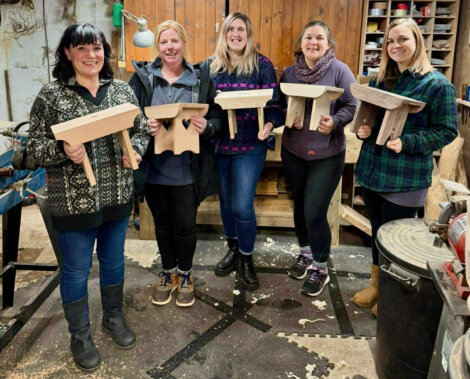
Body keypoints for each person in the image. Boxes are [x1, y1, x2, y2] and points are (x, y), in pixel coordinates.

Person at [26, 23, 149, 371]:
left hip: (116, 195)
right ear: (68, 53)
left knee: (113, 262)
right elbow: (34, 146)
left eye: (96, 48)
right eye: (81, 48)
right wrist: (62, 149)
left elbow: (139, 130)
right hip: (72, 201)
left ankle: (113, 317)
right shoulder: (52, 96)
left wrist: (136, 152)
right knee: (77, 271)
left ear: (104, 53)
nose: (90, 55)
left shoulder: (122, 91)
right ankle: (79, 334)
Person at [353, 18, 458, 316]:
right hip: (373, 171)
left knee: (394, 238)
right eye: (390, 41)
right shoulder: (379, 79)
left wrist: (408, 141)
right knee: (376, 233)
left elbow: (447, 131)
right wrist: (365, 129)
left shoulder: (437, 85)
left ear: (417, 42)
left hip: (405, 178)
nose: (396, 45)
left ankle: (391, 291)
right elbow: (371, 119)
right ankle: (376, 283)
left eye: (403, 39)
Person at [129, 20, 222, 307]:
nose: (170, 47)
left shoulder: (201, 79)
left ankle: (186, 273)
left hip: (186, 171)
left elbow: (219, 121)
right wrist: (144, 125)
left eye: (175, 41)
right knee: (162, 224)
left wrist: (206, 125)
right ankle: (168, 272)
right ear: (157, 47)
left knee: (184, 226)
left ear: (184, 44)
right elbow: (129, 118)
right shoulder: (143, 79)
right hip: (154, 170)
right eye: (164, 42)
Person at [279, 21, 357, 297]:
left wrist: (335, 121)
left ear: (328, 43)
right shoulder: (289, 73)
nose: (313, 42)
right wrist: (287, 120)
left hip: (327, 155)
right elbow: (280, 106)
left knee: (314, 210)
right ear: (301, 42)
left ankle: (321, 266)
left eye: (320, 38)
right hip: (293, 151)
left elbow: (353, 105)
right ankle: (305, 253)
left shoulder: (339, 71)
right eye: (308, 37)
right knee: (299, 207)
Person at [209, 12, 284, 291]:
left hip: (250, 145)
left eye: (241, 29)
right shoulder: (212, 66)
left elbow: (275, 106)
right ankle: (233, 249)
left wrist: (269, 124)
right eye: (231, 29)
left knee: (242, 206)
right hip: (220, 145)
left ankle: (247, 258)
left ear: (248, 34)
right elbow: (205, 105)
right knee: (226, 204)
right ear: (224, 34)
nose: (236, 34)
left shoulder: (261, 65)